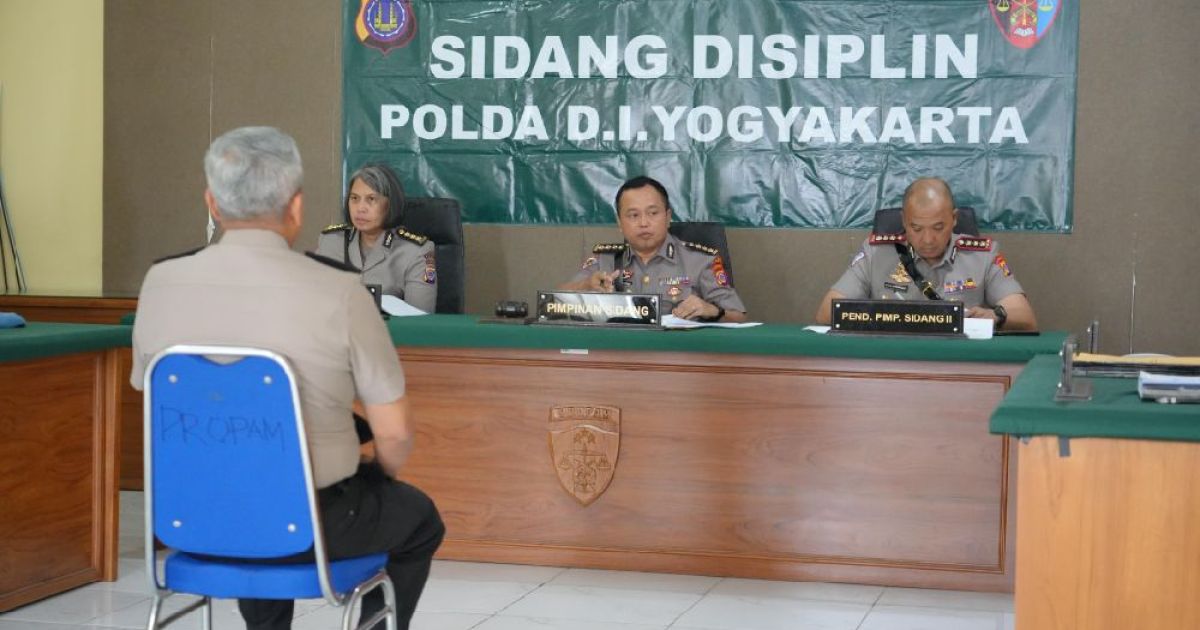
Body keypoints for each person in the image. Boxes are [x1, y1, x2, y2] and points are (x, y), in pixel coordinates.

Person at [129, 127, 444, 630]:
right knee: (419, 519)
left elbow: (151, 395)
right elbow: (395, 433)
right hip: (312, 526)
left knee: (254, 497)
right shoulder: (340, 291)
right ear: (296, 207)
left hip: (193, 520)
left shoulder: (159, 283)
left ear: (211, 202)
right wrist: (378, 478)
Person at [814, 177, 1037, 330]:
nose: (928, 239)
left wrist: (995, 316)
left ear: (954, 219)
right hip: (889, 364)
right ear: (904, 222)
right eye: (917, 229)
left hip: (959, 366)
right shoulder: (876, 254)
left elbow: (1025, 316)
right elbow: (826, 312)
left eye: (938, 228)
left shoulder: (983, 255)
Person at [560, 175, 748, 322]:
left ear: (667, 217)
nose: (644, 223)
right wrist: (586, 286)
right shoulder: (605, 260)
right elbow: (557, 301)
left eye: (653, 213)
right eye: (633, 215)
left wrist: (712, 311)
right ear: (619, 222)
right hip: (619, 358)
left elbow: (739, 317)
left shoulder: (699, 260)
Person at [315, 163, 438, 313]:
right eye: (354, 198)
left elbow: (419, 321)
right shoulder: (331, 241)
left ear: (390, 205)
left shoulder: (417, 252)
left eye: (371, 199)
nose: (360, 208)